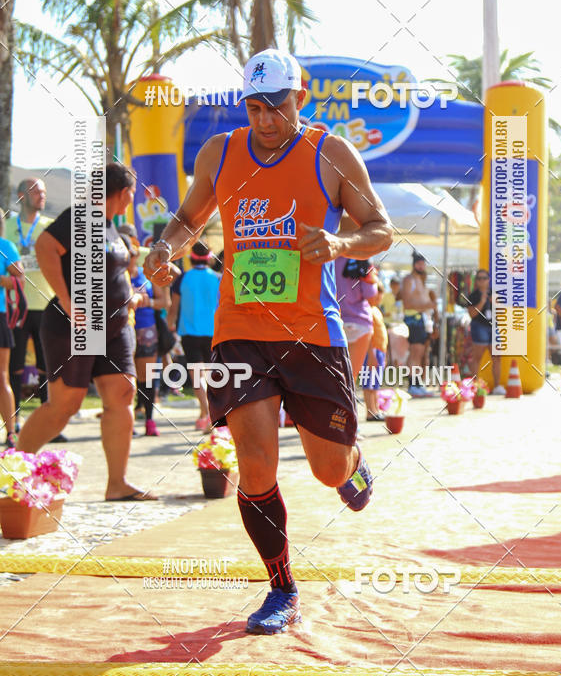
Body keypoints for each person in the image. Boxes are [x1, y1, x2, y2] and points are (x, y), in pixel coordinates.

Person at [144, 47, 392, 635]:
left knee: (329, 471)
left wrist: (338, 245)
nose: (264, 119)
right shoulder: (219, 152)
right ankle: (281, 587)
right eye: (253, 107)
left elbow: (379, 230)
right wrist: (164, 246)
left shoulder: (331, 153)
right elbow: (188, 219)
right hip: (240, 332)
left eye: (276, 107)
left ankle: (353, 465)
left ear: (298, 99)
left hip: (313, 333)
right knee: (254, 465)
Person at [18, 163, 157, 502]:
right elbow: (45, 247)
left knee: (122, 395)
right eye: (132, 193)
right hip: (73, 327)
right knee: (64, 405)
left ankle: (117, 483)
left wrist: (134, 297)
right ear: (124, 192)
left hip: (116, 327)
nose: (131, 199)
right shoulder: (82, 217)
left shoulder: (111, 227)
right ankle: (13, 470)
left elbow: (113, 275)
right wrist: (67, 300)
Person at [5, 179, 62, 436]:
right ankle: (13, 423)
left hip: (47, 304)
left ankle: (49, 426)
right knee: (13, 367)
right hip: (15, 306)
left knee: (48, 367)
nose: (41, 195)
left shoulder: (50, 227)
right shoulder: (6, 226)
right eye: (36, 191)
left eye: (44, 192)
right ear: (21, 196)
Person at [167, 241, 220, 431]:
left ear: (190, 257)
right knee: (212, 376)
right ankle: (209, 413)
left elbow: (173, 307)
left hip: (189, 332)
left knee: (196, 374)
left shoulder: (183, 279)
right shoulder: (218, 278)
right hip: (214, 331)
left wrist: (169, 325)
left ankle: (206, 413)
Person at [127, 240, 170, 436]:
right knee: (126, 379)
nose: (129, 258)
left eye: (132, 254)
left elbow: (164, 301)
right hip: (123, 328)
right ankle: (129, 422)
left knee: (147, 378)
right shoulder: (112, 274)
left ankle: (150, 420)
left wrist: (147, 301)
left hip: (146, 329)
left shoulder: (147, 274)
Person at [334, 251, 378, 417]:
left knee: (338, 377)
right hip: (360, 323)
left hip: (336, 321)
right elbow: (371, 296)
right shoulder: (364, 257)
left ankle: (338, 423)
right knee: (351, 378)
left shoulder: (332, 255)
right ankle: (351, 427)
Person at [0, 209, 24, 446]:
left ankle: (11, 432)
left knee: (1, 376)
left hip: (0, 316)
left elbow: (20, 282)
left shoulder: (6, 247)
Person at [401, 251, 436, 396]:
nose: (421, 266)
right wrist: (427, 305)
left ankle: (417, 383)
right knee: (415, 352)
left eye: (423, 263)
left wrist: (428, 306)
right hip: (413, 319)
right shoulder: (409, 280)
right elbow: (407, 303)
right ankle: (412, 384)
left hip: (422, 319)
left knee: (420, 353)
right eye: (419, 263)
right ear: (414, 264)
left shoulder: (419, 280)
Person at [466, 269, 503, 394]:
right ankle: (475, 386)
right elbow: (472, 314)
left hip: (493, 327)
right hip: (479, 327)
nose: (482, 281)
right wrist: (482, 302)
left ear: (489, 280)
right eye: (479, 278)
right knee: (477, 358)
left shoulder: (494, 294)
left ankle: (497, 386)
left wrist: (495, 303)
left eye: (484, 278)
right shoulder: (473, 295)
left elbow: (502, 312)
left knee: (497, 357)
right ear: (476, 281)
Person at [360, 284, 389, 418]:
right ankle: (370, 412)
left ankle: (376, 409)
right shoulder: (367, 310)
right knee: (368, 383)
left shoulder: (376, 310)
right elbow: (369, 334)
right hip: (371, 351)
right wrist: (371, 354)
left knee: (375, 383)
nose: (379, 296)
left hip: (380, 351)